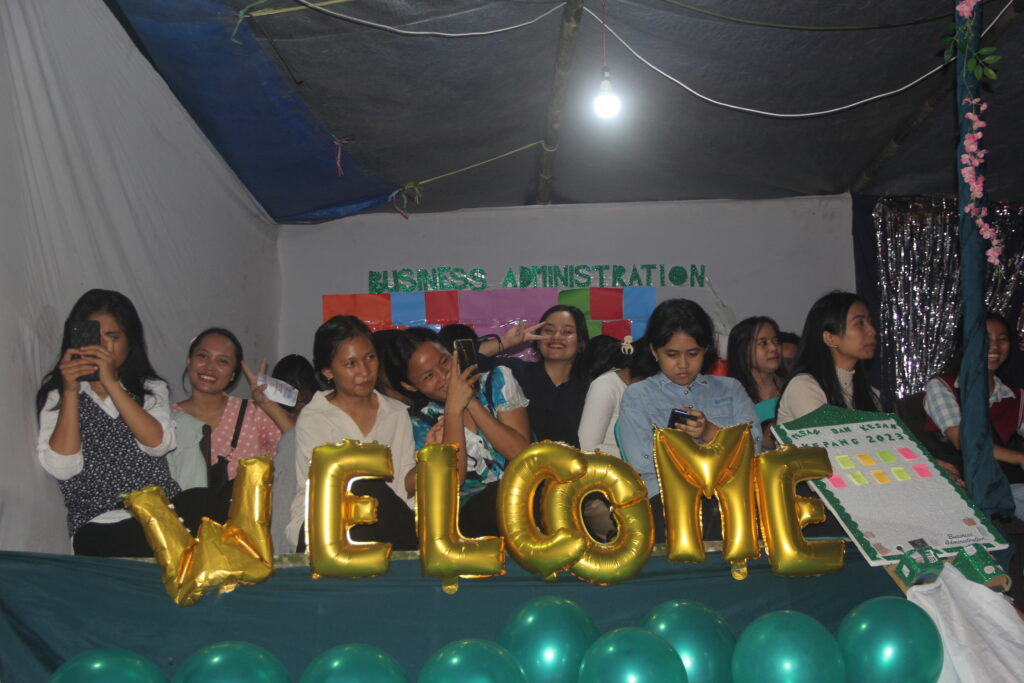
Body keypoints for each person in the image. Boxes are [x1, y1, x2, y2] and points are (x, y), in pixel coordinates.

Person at [36, 289, 183, 556]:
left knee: (204, 502)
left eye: (112, 337)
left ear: (130, 342)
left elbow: (158, 444)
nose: (102, 347)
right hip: (98, 524)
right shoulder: (59, 395)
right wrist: (70, 392)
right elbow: (62, 468)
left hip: (159, 515)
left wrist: (112, 384)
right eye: (94, 338)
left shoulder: (149, 388)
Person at [618, 299, 760, 542]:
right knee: (706, 515)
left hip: (731, 492)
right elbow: (642, 462)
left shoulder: (730, 389)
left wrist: (710, 432)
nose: (683, 364)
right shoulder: (639, 395)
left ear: (706, 350)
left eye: (693, 354)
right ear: (654, 351)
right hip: (666, 495)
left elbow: (755, 447)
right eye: (672, 354)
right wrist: (698, 451)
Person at [382, 327, 530, 536]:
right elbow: (454, 480)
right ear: (410, 386)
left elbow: (520, 453)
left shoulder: (496, 381)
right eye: (428, 376)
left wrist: (470, 401)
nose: (444, 376)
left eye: (444, 362)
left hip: (523, 499)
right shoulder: (419, 423)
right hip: (467, 519)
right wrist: (453, 410)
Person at [287, 316, 418, 552]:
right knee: (363, 487)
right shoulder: (315, 417)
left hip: (387, 524)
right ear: (328, 371)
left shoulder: (396, 413)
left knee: (378, 495)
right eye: (350, 363)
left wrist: (433, 458)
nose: (364, 371)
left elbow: (401, 485)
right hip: (326, 524)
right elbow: (325, 490)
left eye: (370, 358)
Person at [172, 328, 291, 522]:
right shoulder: (167, 419)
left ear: (234, 373)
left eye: (222, 361)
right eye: (203, 356)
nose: (210, 367)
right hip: (181, 528)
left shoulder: (252, 413)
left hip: (246, 530)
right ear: (189, 360)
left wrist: (268, 405)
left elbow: (297, 442)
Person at [924, 313, 1024, 518]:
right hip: (963, 487)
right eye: (985, 339)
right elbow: (964, 441)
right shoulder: (943, 387)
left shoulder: (1015, 397)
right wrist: (1019, 458)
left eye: (1002, 339)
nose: (994, 347)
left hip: (1005, 484)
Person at [489, 305, 590, 446]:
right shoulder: (513, 372)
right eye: (549, 330)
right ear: (537, 339)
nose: (556, 337)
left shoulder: (589, 390)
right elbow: (465, 360)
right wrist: (505, 342)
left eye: (567, 332)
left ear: (581, 342)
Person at [776, 292, 881, 425]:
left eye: (869, 322)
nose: (872, 331)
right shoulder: (804, 387)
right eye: (860, 323)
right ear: (830, 338)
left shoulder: (871, 394)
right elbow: (829, 437)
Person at [269, 354, 318, 552]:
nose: (298, 396)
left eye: (302, 387)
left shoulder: (319, 418)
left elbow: (295, 438)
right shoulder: (264, 418)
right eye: (290, 388)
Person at [728, 316, 788, 447]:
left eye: (776, 341)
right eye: (763, 343)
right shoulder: (729, 397)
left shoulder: (793, 388)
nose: (774, 348)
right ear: (743, 350)